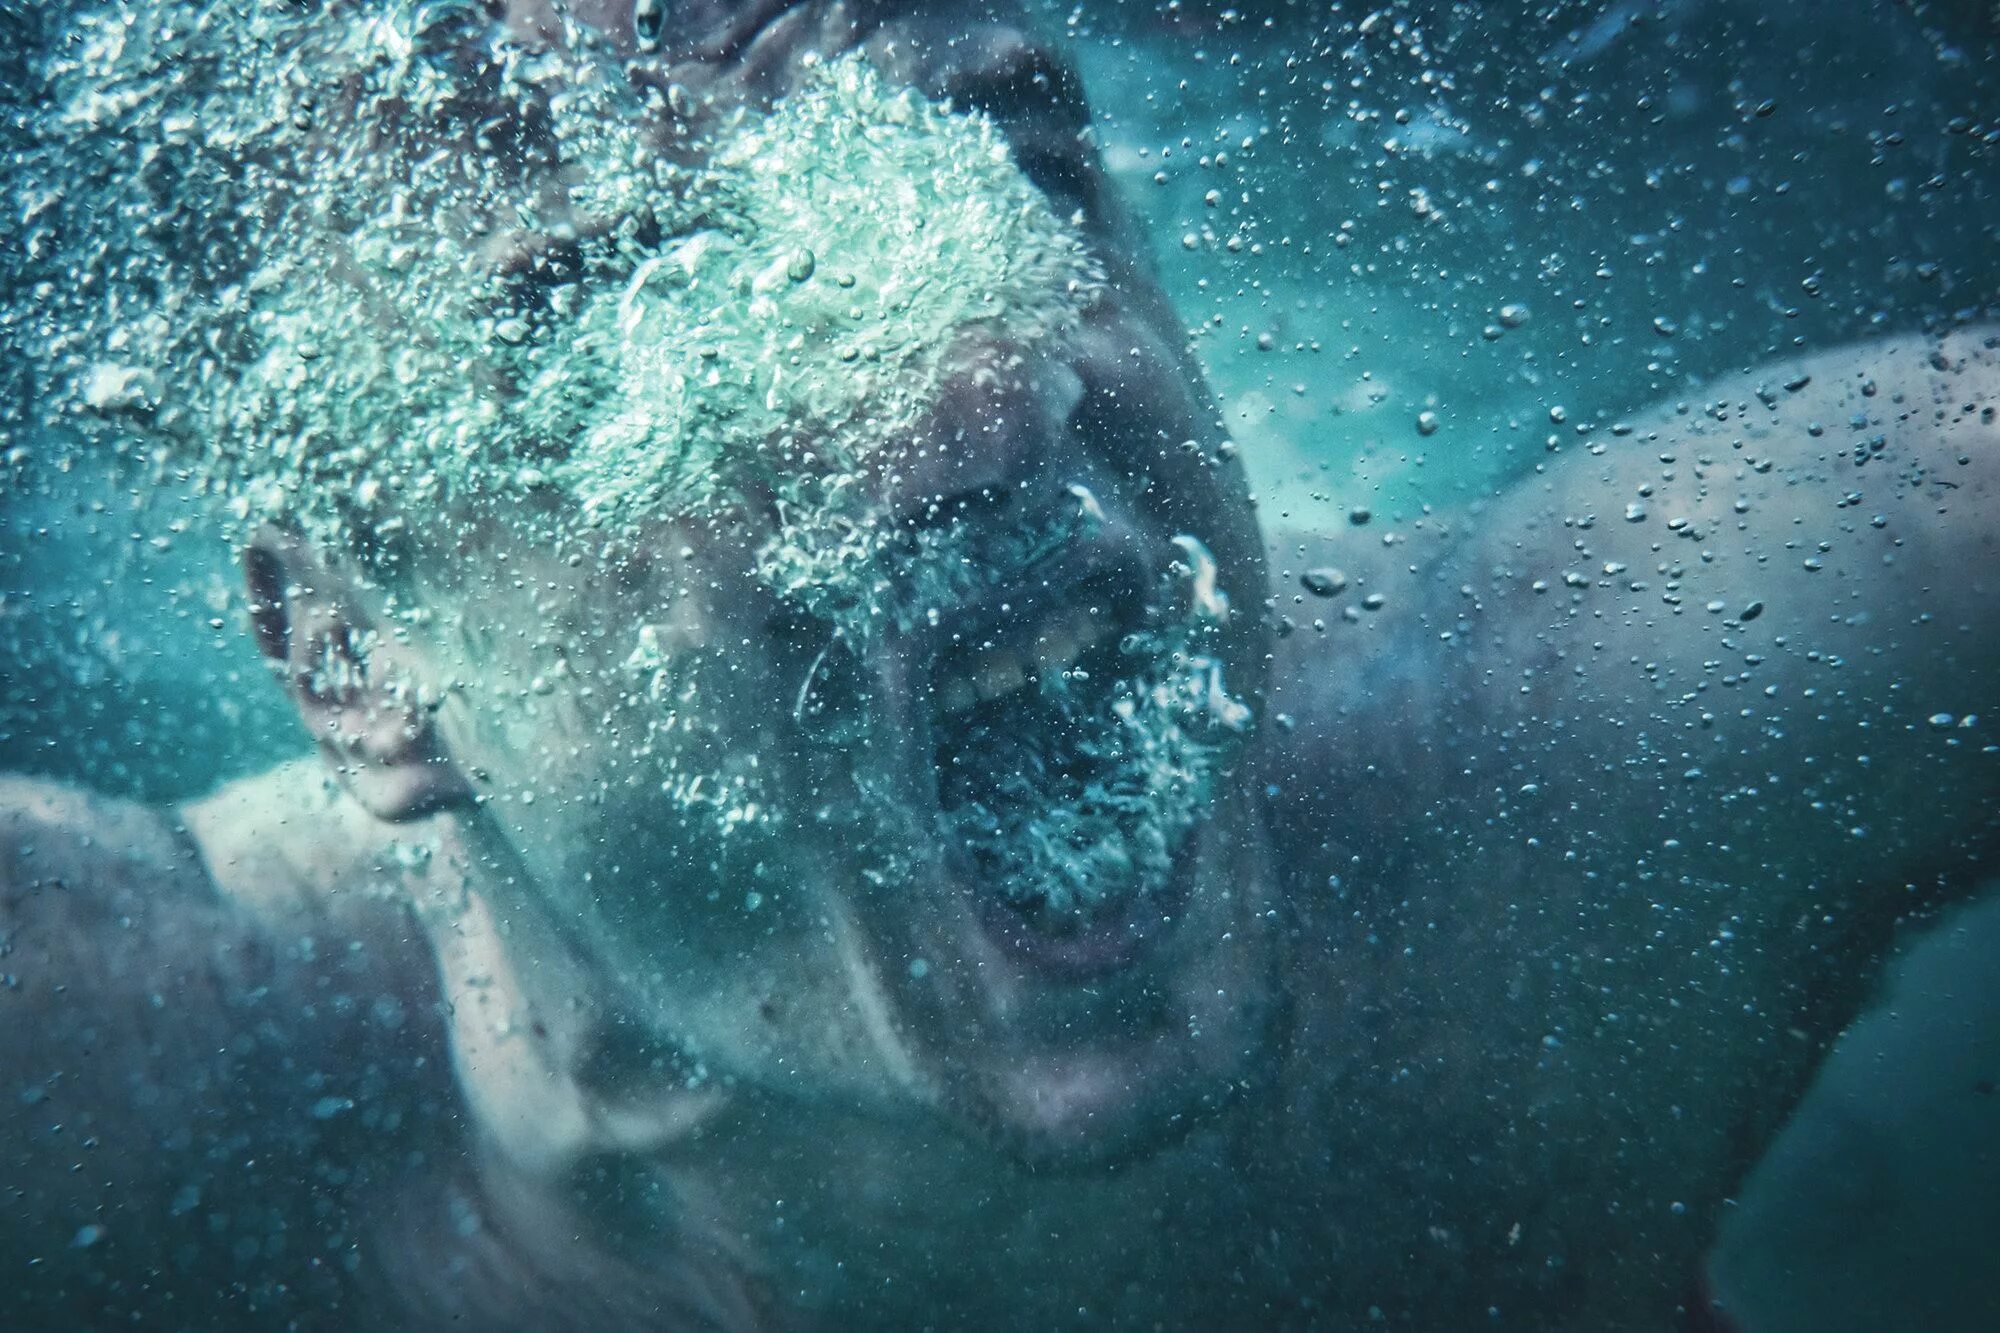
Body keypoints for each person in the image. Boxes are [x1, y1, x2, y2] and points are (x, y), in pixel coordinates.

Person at [3, 2, 1996, 1328]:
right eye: (640, 311)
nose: (971, 384)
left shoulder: (1599, 736)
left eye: (1016, 171)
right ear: (347, 651)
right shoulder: (148, 1063)